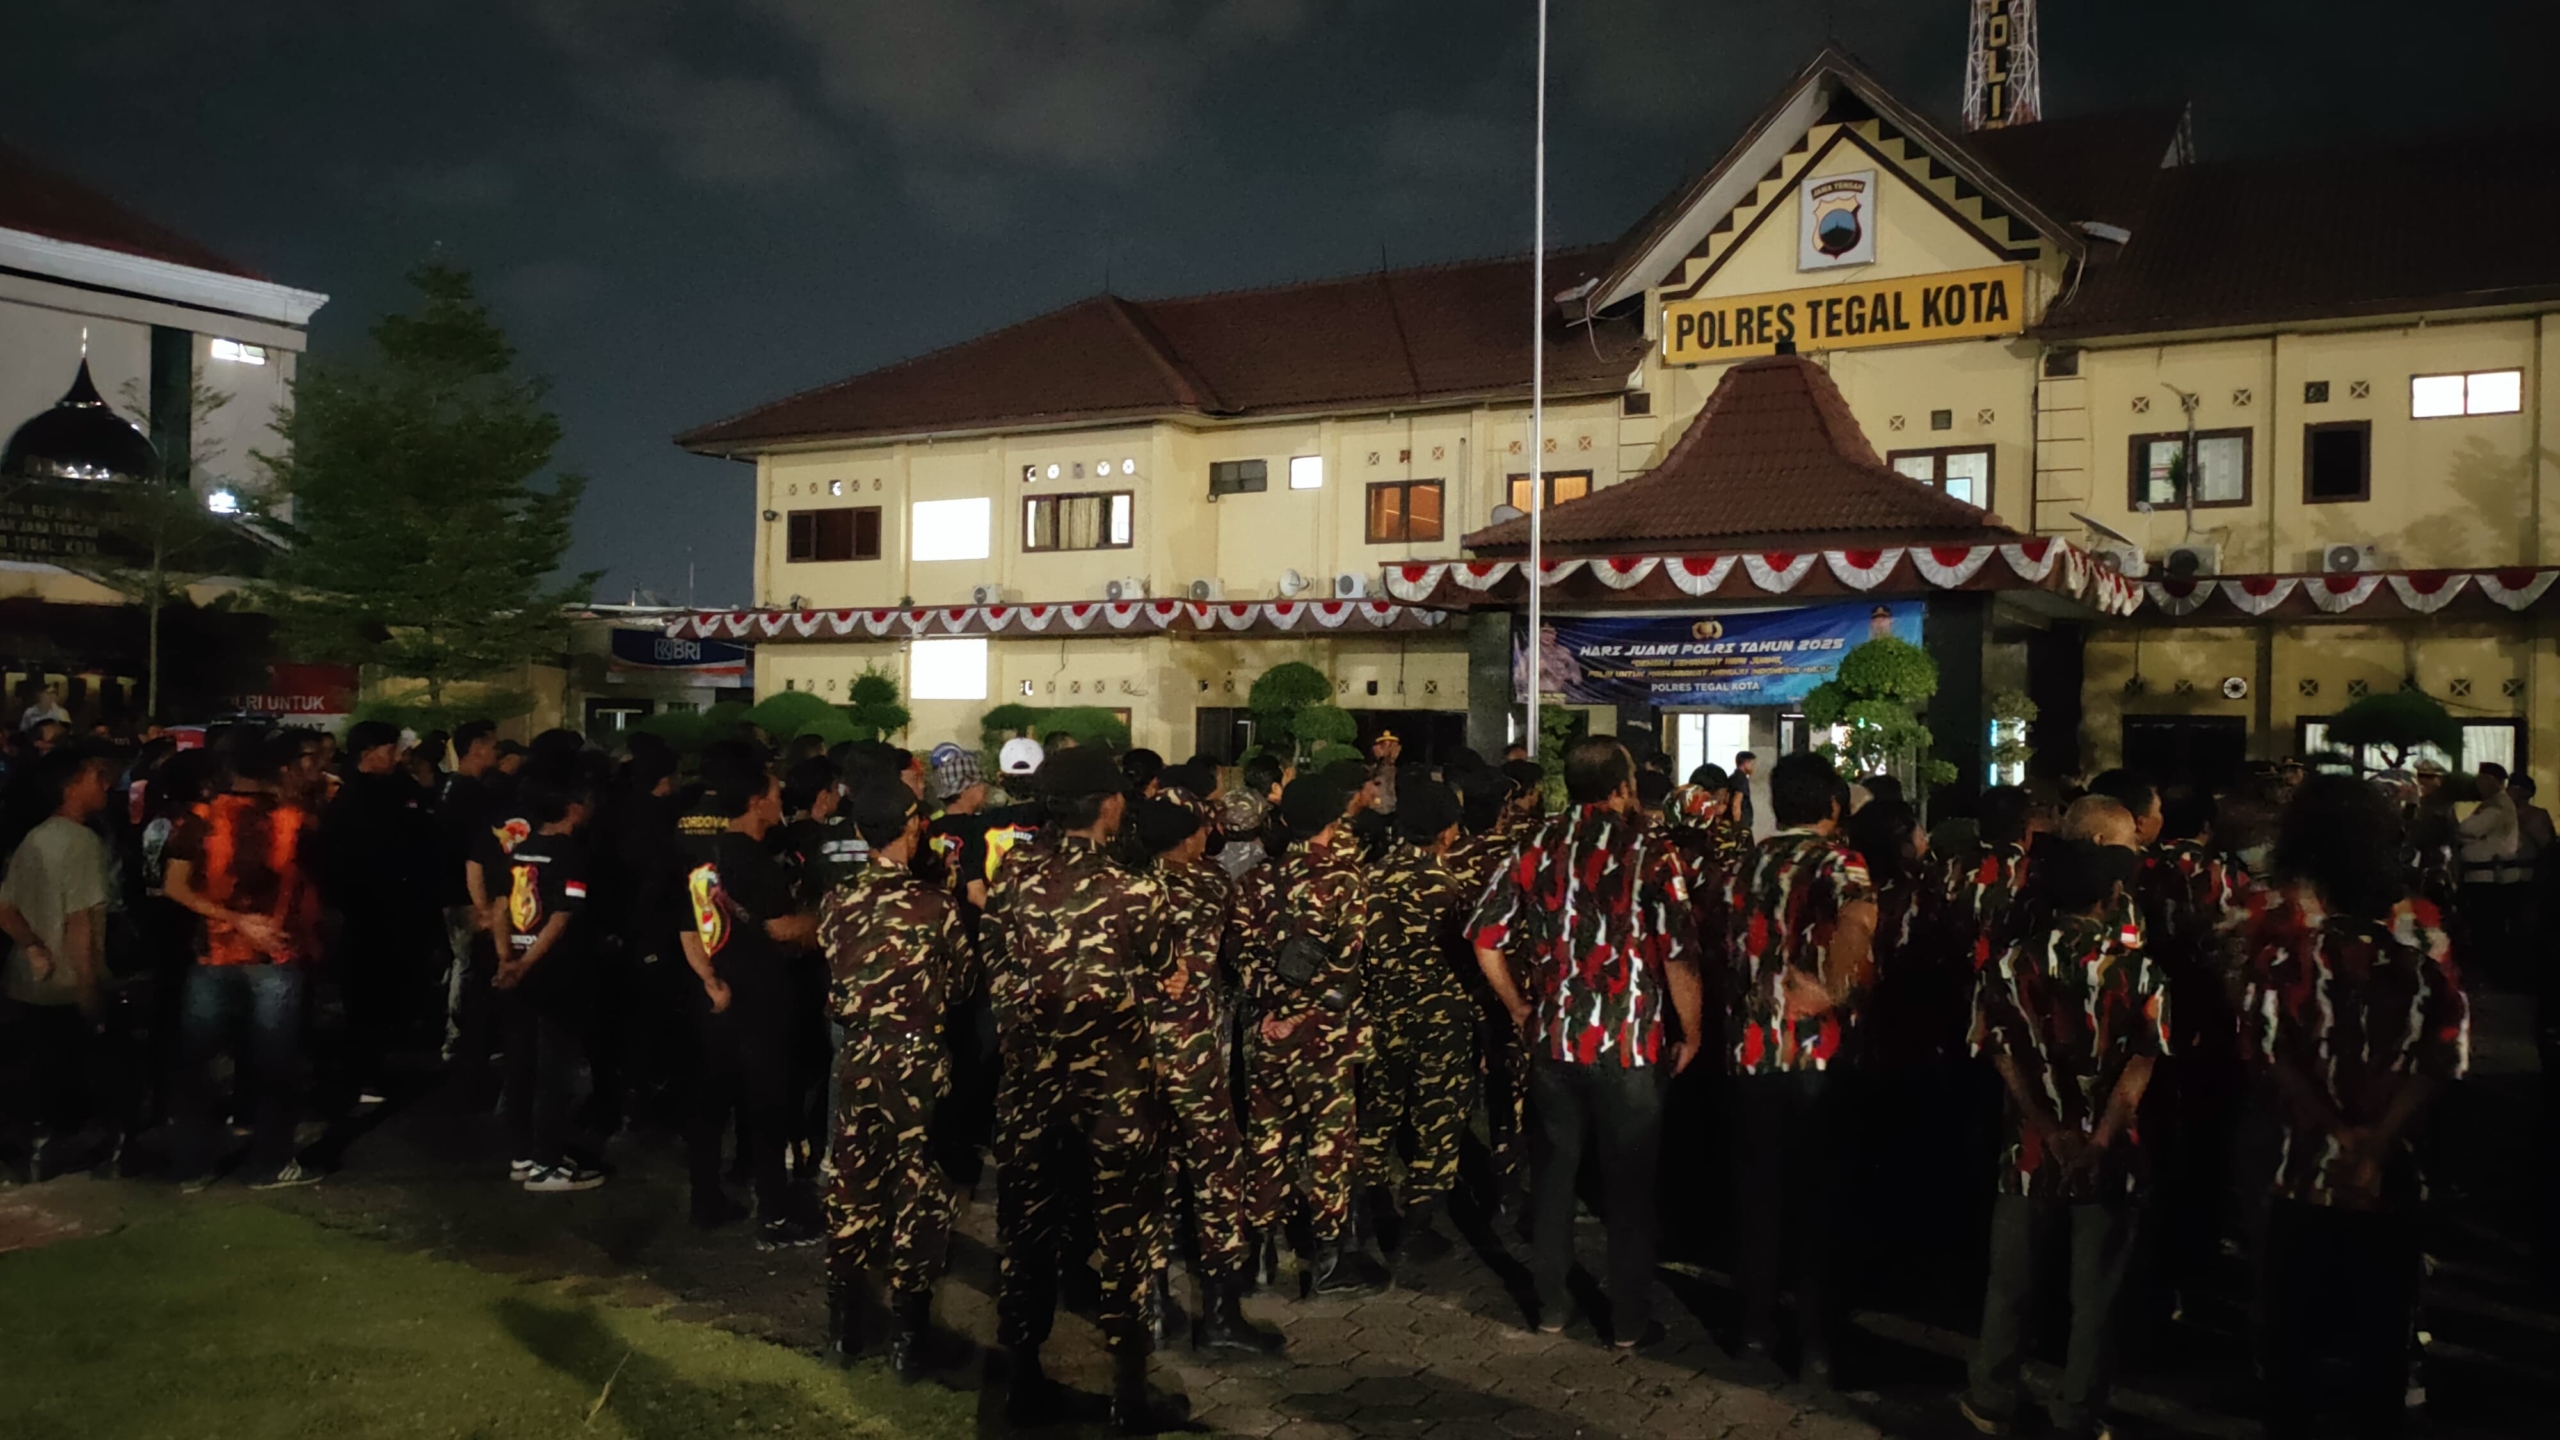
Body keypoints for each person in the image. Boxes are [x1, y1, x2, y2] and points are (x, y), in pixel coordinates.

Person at [2239, 773, 2467, 1440]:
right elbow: (2443, 1055)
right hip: (2392, 1168)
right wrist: (2374, 1142)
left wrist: (2335, 1134)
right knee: (2380, 1335)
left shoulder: (2281, 930)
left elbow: (2266, 1046)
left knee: (2291, 1336)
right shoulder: (2424, 935)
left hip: (2298, 1160)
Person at [1470, 737, 1704, 1347]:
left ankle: (1551, 1307)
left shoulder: (1534, 844)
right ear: (1623, 787)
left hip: (1554, 1041)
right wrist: (1692, 1029)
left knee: (1553, 1181)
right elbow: (1678, 952)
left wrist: (1521, 1007)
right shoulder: (1650, 851)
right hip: (1630, 1044)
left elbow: (1484, 938)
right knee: (1629, 1187)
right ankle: (1628, 1320)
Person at [979, 746, 1184, 1430]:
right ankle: (1129, 1392)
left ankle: (1021, 1377)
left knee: (1028, 1233)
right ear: (1107, 805)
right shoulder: (1137, 888)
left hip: (1033, 1087)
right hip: (1116, 1092)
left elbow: (995, 960)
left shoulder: (1012, 876)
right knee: (1127, 1240)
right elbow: (1166, 971)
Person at [1962, 796, 2168, 1440]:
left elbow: (1996, 1049)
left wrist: (2045, 1128)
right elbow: (2141, 1064)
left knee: (2010, 1287)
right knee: (2095, 1296)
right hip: (2109, 1154)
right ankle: (2078, 1413)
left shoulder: (2009, 962)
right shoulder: (2139, 971)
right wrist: (2099, 1136)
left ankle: (1990, 1398)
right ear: (2111, 895)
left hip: (2027, 1149)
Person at [817, 779, 982, 1378]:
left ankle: (842, 1329)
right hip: (917, 1057)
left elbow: (834, 969)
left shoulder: (836, 901)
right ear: (910, 831)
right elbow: (963, 984)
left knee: (853, 1179)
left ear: (860, 834)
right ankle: (909, 1338)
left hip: (858, 1053)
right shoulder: (934, 904)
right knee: (917, 1184)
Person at [1723, 750, 1876, 1382]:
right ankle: (1815, 1339)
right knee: (1816, 1196)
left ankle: (1755, 1326)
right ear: (1834, 807)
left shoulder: (1746, 862)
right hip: (1816, 1055)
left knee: (1759, 1191)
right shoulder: (1841, 860)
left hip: (1749, 1053)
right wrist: (1836, 988)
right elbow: (1861, 917)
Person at [1128, 796, 1284, 1356]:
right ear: (1190, 837)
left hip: (1137, 1052)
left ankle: (1149, 1304)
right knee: (1218, 1169)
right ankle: (1220, 1310)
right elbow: (1238, 952)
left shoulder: (1128, 887)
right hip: (1194, 1049)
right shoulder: (1211, 885)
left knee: (1149, 1170)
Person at [1235, 773, 1384, 1296]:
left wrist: (1276, 1015)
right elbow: (1345, 964)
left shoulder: (1256, 880)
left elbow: (1245, 966)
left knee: (1267, 1140)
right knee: (1328, 1144)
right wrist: (1299, 1014)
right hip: (1324, 1036)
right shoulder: (1346, 878)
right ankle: (1327, 1256)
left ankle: (1256, 1254)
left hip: (1268, 1031)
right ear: (1331, 818)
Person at [163, 731, 323, 1189]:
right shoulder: (297, 821)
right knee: (275, 1065)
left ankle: (193, 1166)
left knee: (199, 1065)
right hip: (276, 954)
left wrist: (229, 917)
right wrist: (255, 923)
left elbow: (174, 887)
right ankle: (270, 1163)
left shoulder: (197, 818)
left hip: (212, 956)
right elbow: (316, 889)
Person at [676, 743, 820, 1246]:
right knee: (767, 1106)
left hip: (715, 996)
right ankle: (776, 1214)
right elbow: (782, 930)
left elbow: (687, 930)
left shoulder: (703, 856)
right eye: (775, 793)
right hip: (760, 997)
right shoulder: (754, 861)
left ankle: (705, 1198)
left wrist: (710, 981)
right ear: (757, 802)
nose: (781, 800)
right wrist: (820, 921)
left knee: (711, 1102)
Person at [1358, 779, 1476, 1265]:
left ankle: (1364, 1212)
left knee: (1376, 1113)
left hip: (1382, 1012)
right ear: (1448, 833)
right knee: (1437, 1116)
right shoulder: (1449, 887)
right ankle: (1418, 1222)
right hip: (1441, 1018)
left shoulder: (1370, 877)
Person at [0, 747, 116, 1178]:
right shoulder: (82, 843)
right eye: (94, 775)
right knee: (76, 1077)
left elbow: (4, 908)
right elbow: (79, 924)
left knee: (36, 1077)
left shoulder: (35, 837)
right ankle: (70, 1153)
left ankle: (33, 1151)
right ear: (70, 787)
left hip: (27, 984)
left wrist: (32, 947)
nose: (104, 781)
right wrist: (89, 990)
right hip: (69, 986)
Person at [496, 772, 605, 1192]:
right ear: (574, 809)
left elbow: (501, 907)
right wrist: (527, 964)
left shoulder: (519, 852)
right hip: (556, 973)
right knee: (554, 1072)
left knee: (521, 1065)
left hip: (517, 971)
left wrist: (508, 959)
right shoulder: (572, 855)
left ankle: (522, 1155)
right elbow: (562, 915)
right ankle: (547, 1165)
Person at [321, 720, 433, 1110]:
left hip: (395, 907)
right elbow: (340, 860)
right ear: (368, 752)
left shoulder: (396, 788)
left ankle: (376, 1067)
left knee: (387, 996)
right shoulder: (351, 798)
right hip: (365, 912)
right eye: (389, 748)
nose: (395, 756)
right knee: (365, 997)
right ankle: (362, 1074)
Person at [2456, 761, 2520, 983]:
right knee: (2483, 927)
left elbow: (2468, 828)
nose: (2480, 784)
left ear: (2496, 781)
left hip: (2490, 877)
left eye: (2484, 779)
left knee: (2488, 928)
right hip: (2481, 876)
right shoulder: (2492, 803)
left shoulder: (2499, 805)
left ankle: (2493, 976)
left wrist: (2466, 835)